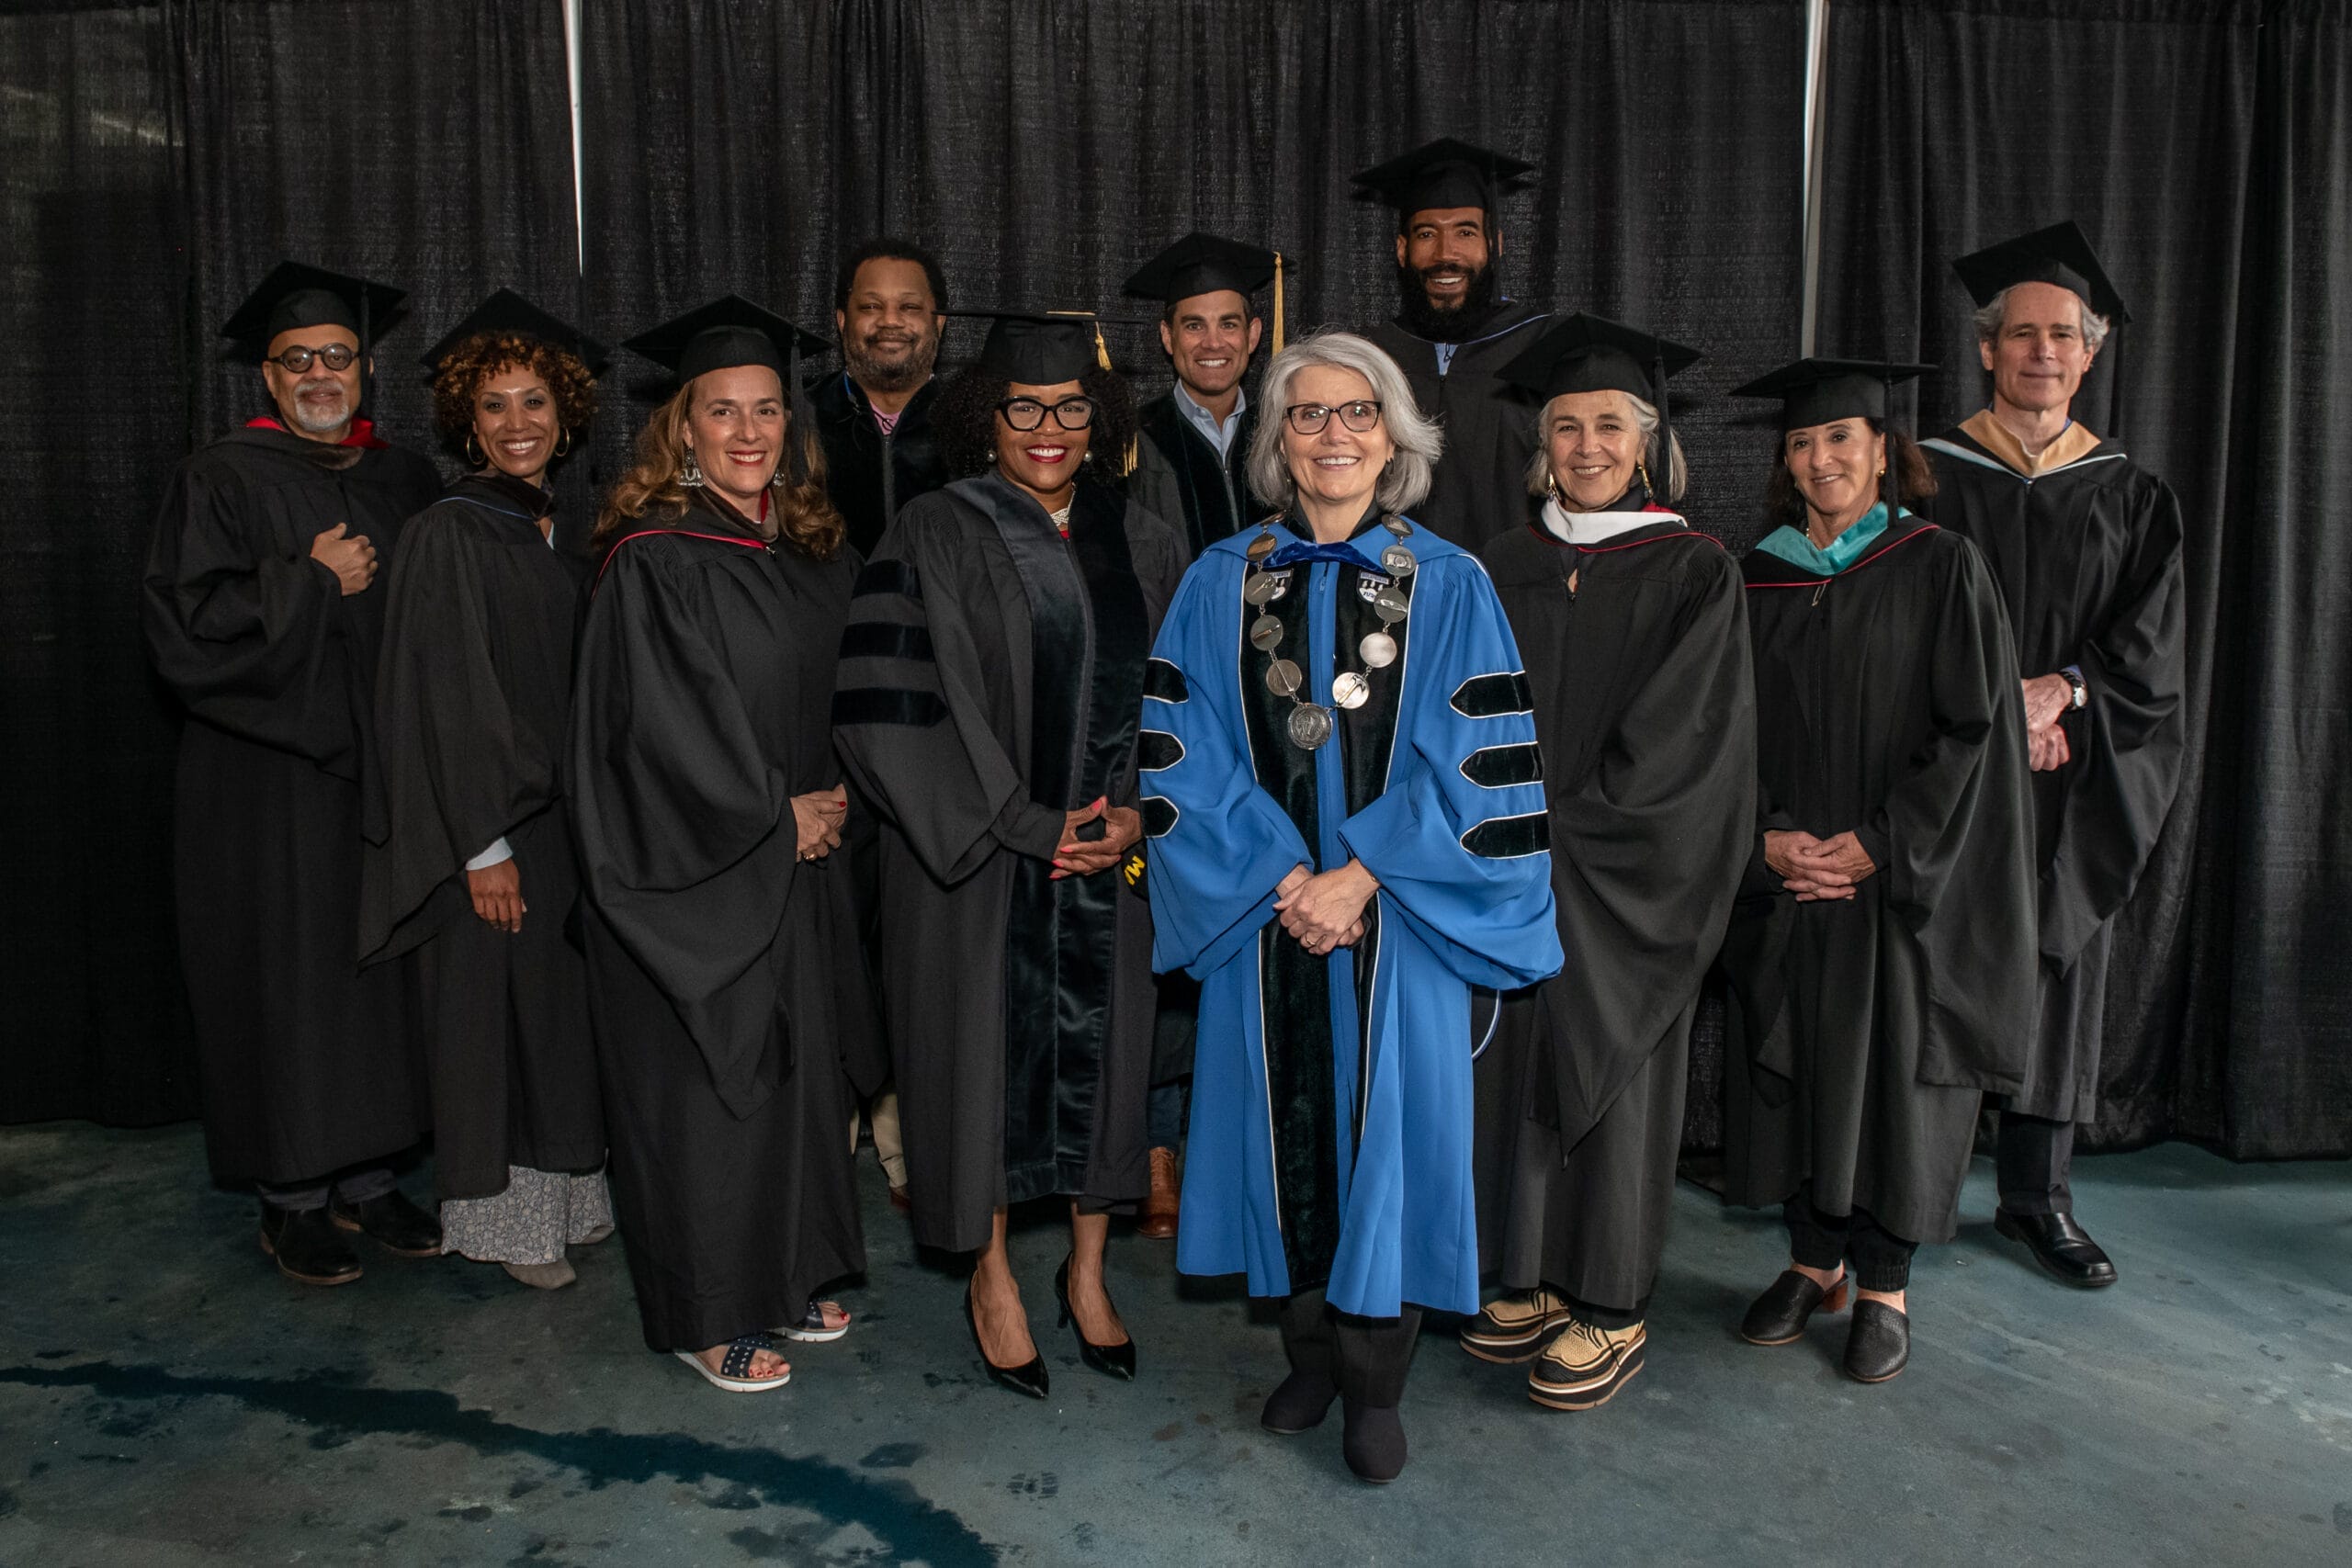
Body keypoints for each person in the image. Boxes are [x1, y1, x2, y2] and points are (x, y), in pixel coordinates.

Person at [1142, 331, 1563, 1482]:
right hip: (1268, 921)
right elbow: (1183, 757)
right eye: (1309, 414)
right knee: (1279, 1145)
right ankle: (1311, 1353)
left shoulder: (1452, 582)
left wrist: (1360, 876)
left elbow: (1479, 760)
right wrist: (1284, 881)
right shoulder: (1221, 578)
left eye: (1358, 412)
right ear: (1278, 439)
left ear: (1396, 438)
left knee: (1388, 1148)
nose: (1334, 434)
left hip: (1398, 925)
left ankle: (1375, 1385)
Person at [834, 310, 1185, 1401]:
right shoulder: (931, 531)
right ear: (983, 416)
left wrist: (1136, 815)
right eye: (1022, 408)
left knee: (1108, 1061)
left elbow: (1188, 705)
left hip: (1111, 862)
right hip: (977, 862)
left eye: (1071, 408)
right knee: (972, 1062)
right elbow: (894, 706)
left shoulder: (1145, 537)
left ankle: (1086, 1274)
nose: (1047, 428)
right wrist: (1030, 827)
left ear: (1101, 417)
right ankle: (990, 1278)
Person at [571, 296, 874, 1392]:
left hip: (801, 869)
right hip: (691, 874)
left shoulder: (813, 553)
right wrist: (769, 815)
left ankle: (787, 1275)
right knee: (706, 1091)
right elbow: (652, 733)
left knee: (795, 1083)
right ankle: (708, 1312)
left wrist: (840, 789)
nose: (748, 434)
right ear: (681, 431)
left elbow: (844, 698)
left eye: (766, 412)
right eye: (720, 413)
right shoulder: (655, 561)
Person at [1720, 358, 2038, 1385]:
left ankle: (1885, 1284)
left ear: (1880, 450)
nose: (1822, 460)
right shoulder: (1751, 576)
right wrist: (1767, 840)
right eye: (1805, 443)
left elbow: (1974, 732)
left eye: (1842, 440)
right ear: (1785, 458)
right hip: (1789, 880)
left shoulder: (1939, 565)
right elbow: (1715, 733)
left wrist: (1880, 841)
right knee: (1795, 1066)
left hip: (1892, 883)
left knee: (1888, 1077)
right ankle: (1812, 1262)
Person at [1464, 316, 1756, 1410]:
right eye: (1566, 426)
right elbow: (1463, 713)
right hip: (1511, 866)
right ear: (1541, 444)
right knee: (1516, 1064)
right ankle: (1527, 1275)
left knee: (1616, 1068)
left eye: (1607, 427)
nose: (1586, 446)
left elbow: (1691, 743)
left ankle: (1611, 1304)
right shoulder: (1501, 563)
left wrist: (1563, 836)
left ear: (1644, 443)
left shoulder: (1692, 569)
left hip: (1630, 875)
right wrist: (1496, 836)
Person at [141, 261, 443, 1287]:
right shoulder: (220, 478)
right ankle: (290, 1200)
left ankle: (368, 1181)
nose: (321, 374)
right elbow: (182, 631)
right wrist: (308, 582)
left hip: (381, 771)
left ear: (365, 371)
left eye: (339, 357)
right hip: (263, 783)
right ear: (268, 379)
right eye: (298, 360)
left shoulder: (403, 479)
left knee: (378, 977)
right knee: (287, 981)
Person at [1924, 222, 2187, 1289]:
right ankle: (1917, 1185)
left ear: (2091, 353)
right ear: (1986, 349)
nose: (2042, 352)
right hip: (1949, 758)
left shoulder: (2128, 492)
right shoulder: (1929, 477)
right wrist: (1994, 702)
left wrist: (2063, 688)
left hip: (2073, 766)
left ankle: (2036, 1198)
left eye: (2063, 336)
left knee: (2061, 965)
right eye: (2022, 334)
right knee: (1932, 953)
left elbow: (2150, 641)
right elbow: (1900, 618)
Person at [357, 290, 612, 1291]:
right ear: (467, 420)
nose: (518, 424)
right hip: (496, 829)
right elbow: (446, 699)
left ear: (566, 415)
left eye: (536, 404)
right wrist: (483, 846)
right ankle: (509, 1230)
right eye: (496, 406)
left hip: (565, 826)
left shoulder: (559, 525)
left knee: (557, 1017)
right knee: (492, 1021)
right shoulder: (449, 533)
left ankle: (572, 1201)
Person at [1120, 231, 1283, 1239]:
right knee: (1168, 924)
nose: (1212, 340)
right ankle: (1153, 1148)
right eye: (1193, 325)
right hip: (1173, 710)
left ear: (1255, 334)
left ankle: (1239, 1139)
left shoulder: (1296, 432)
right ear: (1166, 338)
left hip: (1279, 715)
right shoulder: (1127, 441)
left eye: (1230, 322)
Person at [816, 238, 956, 1213]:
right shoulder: (795, 426)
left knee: (918, 924)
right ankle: (831, 1110)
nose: (890, 323)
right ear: (842, 322)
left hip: (939, 720)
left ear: (938, 325)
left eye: (909, 307)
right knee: (830, 918)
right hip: (817, 709)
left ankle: (911, 1118)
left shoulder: (979, 424)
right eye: (871, 307)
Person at [1353, 139, 1552, 548]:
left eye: (1465, 232)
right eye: (1427, 234)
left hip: (1513, 591)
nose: (1447, 254)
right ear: (1402, 250)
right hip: (1387, 589)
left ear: (1494, 245)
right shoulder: (1365, 358)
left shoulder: (1541, 346)